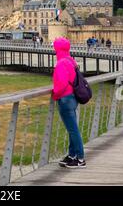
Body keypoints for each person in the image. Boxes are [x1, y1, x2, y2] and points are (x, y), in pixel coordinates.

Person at [52, 37, 86, 169]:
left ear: (57, 49)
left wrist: (55, 95)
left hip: (65, 99)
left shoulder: (61, 63)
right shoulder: (71, 60)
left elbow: (61, 84)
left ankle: (80, 158)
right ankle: (72, 156)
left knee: (73, 130)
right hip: (74, 98)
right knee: (73, 129)